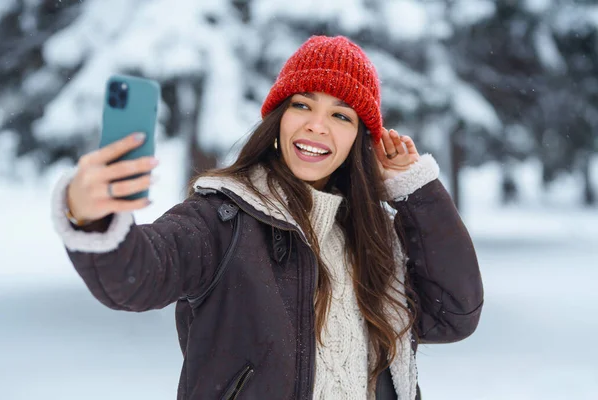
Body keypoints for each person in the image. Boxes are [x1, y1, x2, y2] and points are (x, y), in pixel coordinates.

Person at [52, 35, 483, 400]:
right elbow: (140, 275)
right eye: (302, 105)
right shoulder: (222, 218)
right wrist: (91, 217)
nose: (317, 126)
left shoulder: (373, 239)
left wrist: (417, 192)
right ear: (278, 117)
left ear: (358, 138)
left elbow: (454, 313)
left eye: (340, 115)